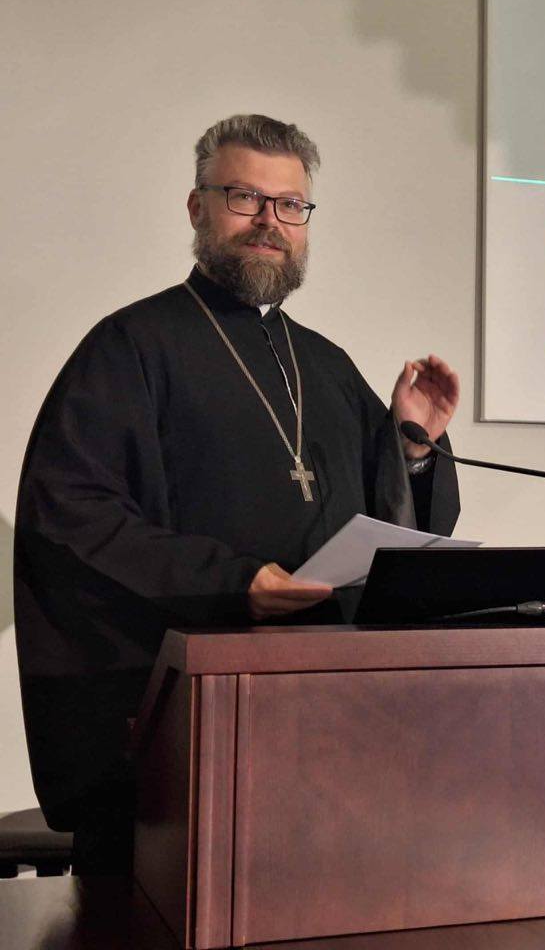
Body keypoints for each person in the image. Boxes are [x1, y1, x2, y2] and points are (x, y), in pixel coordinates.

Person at [14, 114, 461, 873]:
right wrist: (235, 583)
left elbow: (393, 530)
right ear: (198, 208)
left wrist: (413, 446)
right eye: (245, 197)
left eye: (290, 205)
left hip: (330, 728)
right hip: (182, 738)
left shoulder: (325, 364)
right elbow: (72, 519)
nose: (269, 222)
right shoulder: (130, 347)